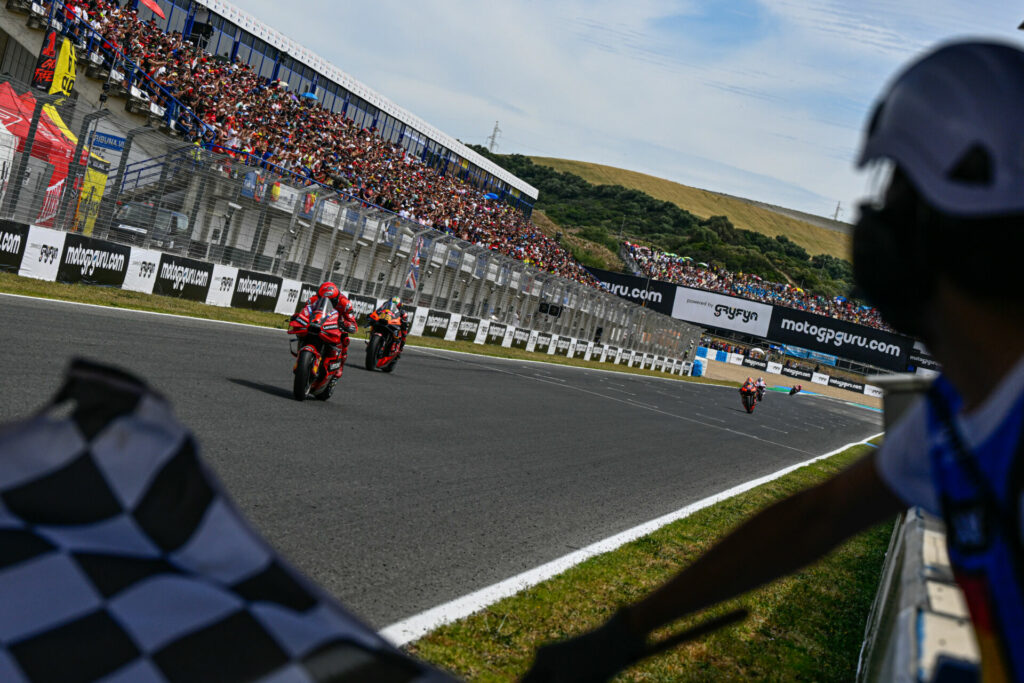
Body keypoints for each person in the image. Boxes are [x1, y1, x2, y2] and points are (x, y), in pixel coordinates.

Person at [523, 40, 1024, 683]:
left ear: (938, 236)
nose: (871, 226)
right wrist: (628, 629)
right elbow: (814, 517)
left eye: (894, 203)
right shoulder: (958, 416)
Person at [290, 282, 357, 392]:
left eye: (331, 299)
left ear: (336, 298)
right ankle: (302, 355)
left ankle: (339, 369)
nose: (326, 300)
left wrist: (347, 324)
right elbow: (305, 311)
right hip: (318, 323)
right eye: (322, 297)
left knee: (345, 339)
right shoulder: (313, 299)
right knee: (303, 332)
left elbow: (353, 322)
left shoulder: (345, 303)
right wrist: (298, 316)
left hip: (335, 327)